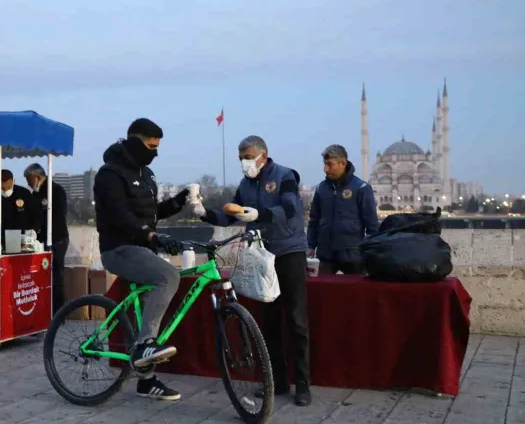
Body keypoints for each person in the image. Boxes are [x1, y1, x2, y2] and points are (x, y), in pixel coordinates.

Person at [196, 135, 312, 407]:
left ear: (263, 154)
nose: (244, 163)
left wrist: (259, 214)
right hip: (260, 255)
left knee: (296, 320)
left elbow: (290, 207)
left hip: (289, 252)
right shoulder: (246, 184)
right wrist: (205, 213)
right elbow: (231, 215)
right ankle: (278, 381)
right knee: (268, 321)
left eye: (247, 157)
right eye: (241, 158)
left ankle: (303, 384)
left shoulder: (285, 176)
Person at [93, 118, 190, 401]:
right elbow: (120, 215)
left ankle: (146, 381)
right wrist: (150, 236)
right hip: (118, 249)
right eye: (150, 146)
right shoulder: (109, 174)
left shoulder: (146, 174)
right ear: (135, 141)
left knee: (149, 306)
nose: (155, 152)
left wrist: (177, 202)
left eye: (158, 147)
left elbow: (148, 214)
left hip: (142, 248)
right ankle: (145, 345)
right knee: (168, 276)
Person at [307, 144, 379, 275]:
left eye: (329, 164)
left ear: (343, 163)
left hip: (353, 255)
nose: (325, 169)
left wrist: (371, 252)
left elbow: (372, 224)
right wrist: (311, 245)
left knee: (355, 293)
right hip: (325, 255)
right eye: (324, 164)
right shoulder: (321, 189)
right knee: (323, 291)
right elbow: (314, 220)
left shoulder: (361, 188)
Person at [24, 163, 70, 314]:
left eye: (28, 178)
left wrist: (39, 228)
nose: (27, 182)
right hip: (41, 240)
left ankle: (59, 312)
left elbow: (58, 215)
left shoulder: (55, 190)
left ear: (36, 177)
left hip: (57, 238)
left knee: (57, 276)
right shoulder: (35, 194)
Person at [0, 169, 35, 245]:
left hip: (24, 238)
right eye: (2, 188)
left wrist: (34, 230)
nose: (6, 191)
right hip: (3, 239)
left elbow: (34, 214)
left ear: (13, 181)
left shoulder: (24, 193)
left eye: (9, 188)